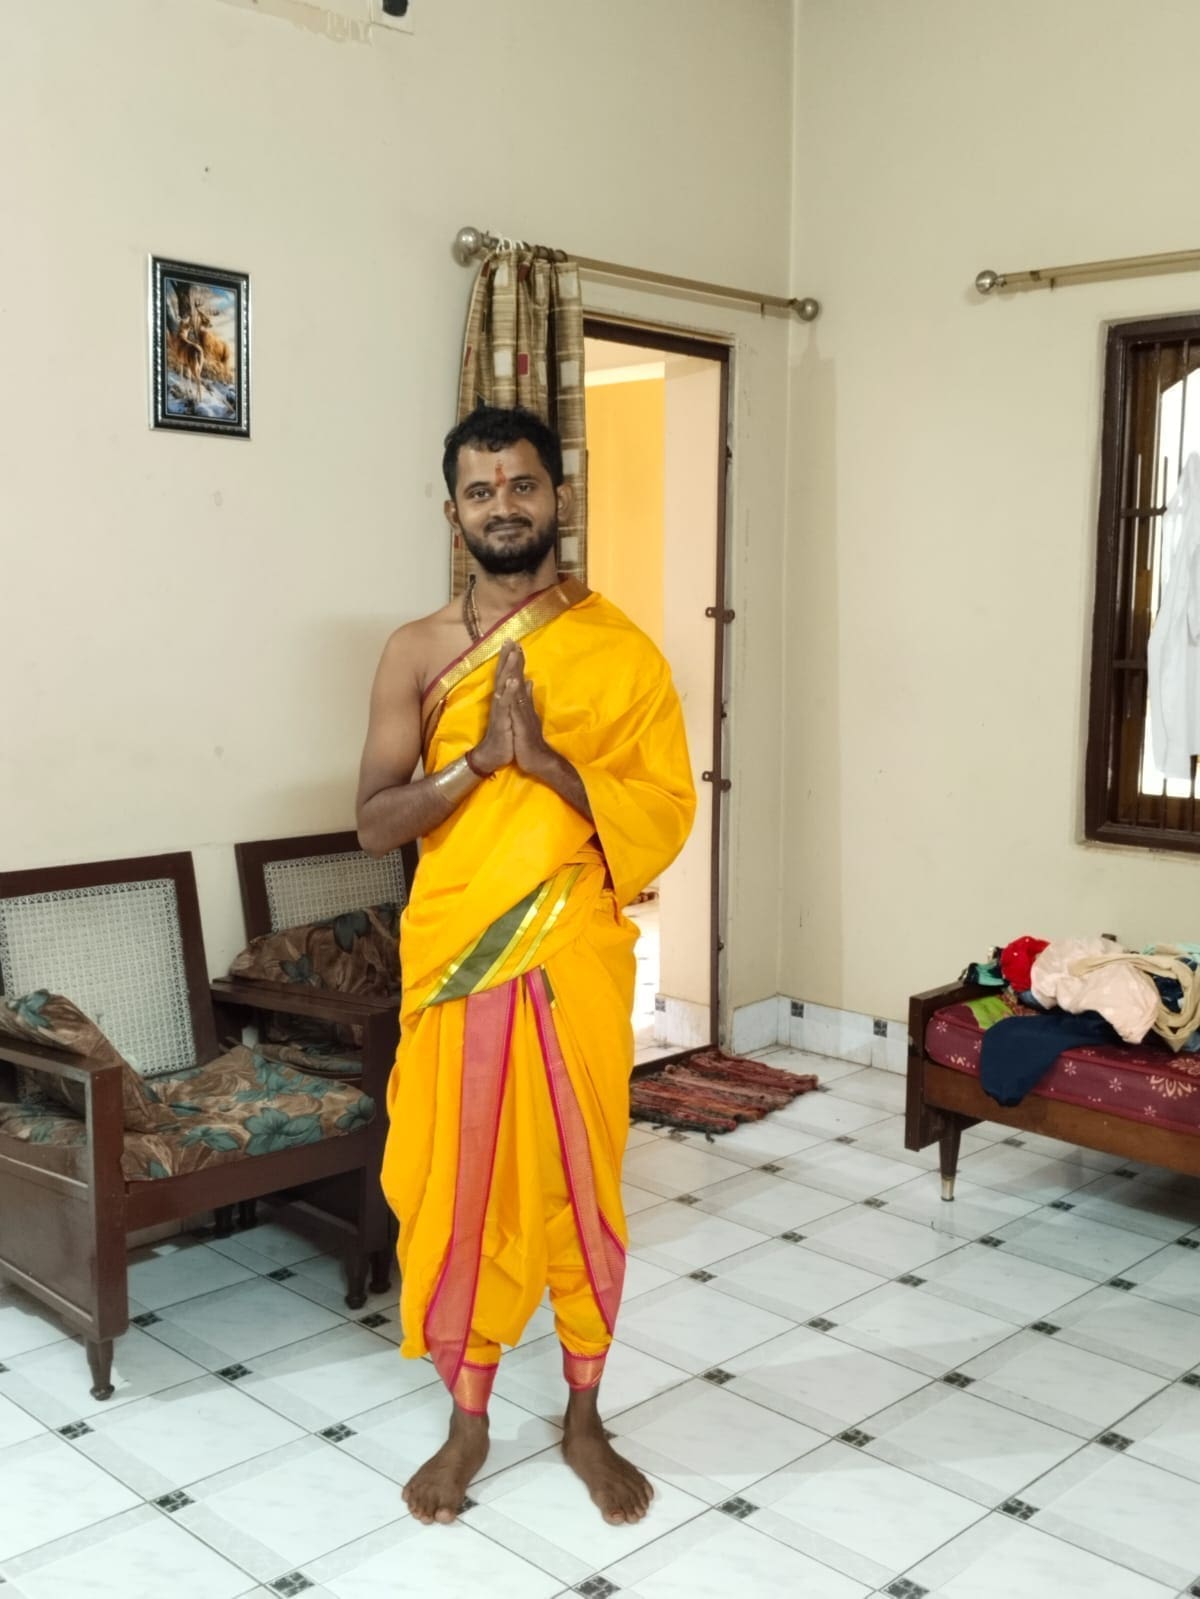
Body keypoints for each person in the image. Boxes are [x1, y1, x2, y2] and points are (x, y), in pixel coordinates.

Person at [356, 404, 696, 1527]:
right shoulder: (416, 651)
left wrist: (547, 763)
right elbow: (374, 821)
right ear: (451, 511)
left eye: (522, 485)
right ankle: (469, 1422)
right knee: (461, 1193)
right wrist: (474, 767)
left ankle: (586, 1415)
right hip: (458, 959)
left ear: (559, 496)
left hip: (572, 958)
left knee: (580, 1187)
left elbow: (665, 809)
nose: (502, 505)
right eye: (480, 489)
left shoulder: (621, 651)